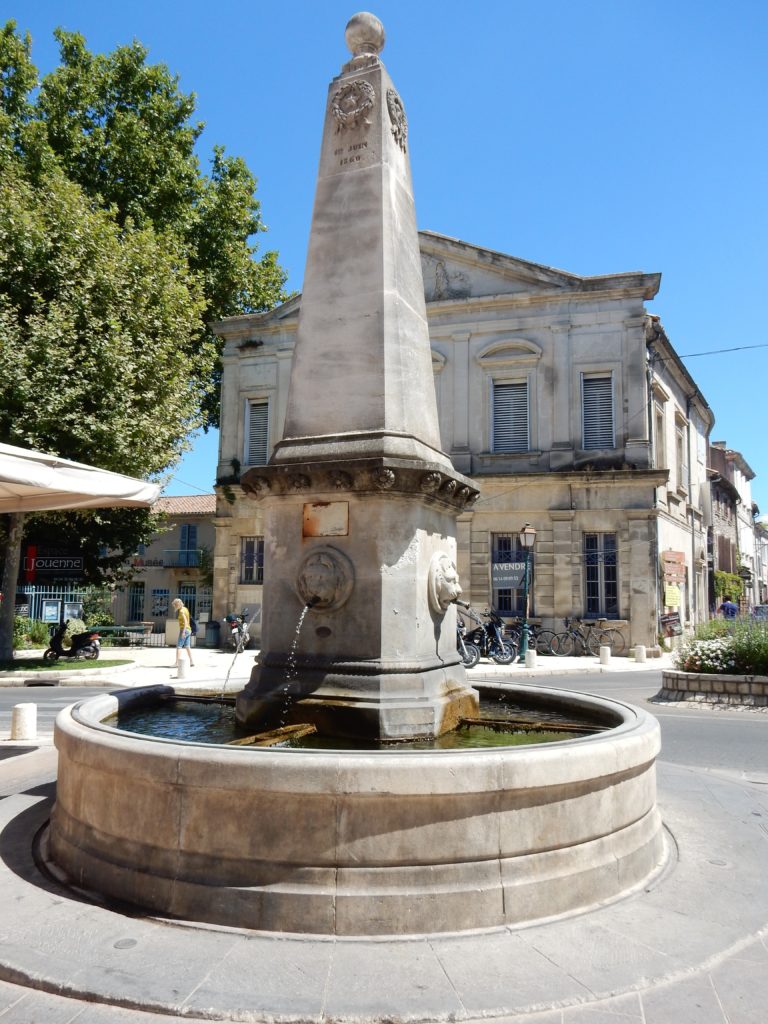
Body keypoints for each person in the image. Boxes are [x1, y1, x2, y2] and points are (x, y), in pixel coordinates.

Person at [171, 597, 194, 672]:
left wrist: (183, 632)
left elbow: (185, 621)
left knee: (179, 646)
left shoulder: (181, 611)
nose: (174, 606)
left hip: (184, 630)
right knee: (187, 646)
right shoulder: (185, 609)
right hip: (189, 629)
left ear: (177, 604)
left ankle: (177, 663)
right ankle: (191, 661)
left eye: (175, 605)